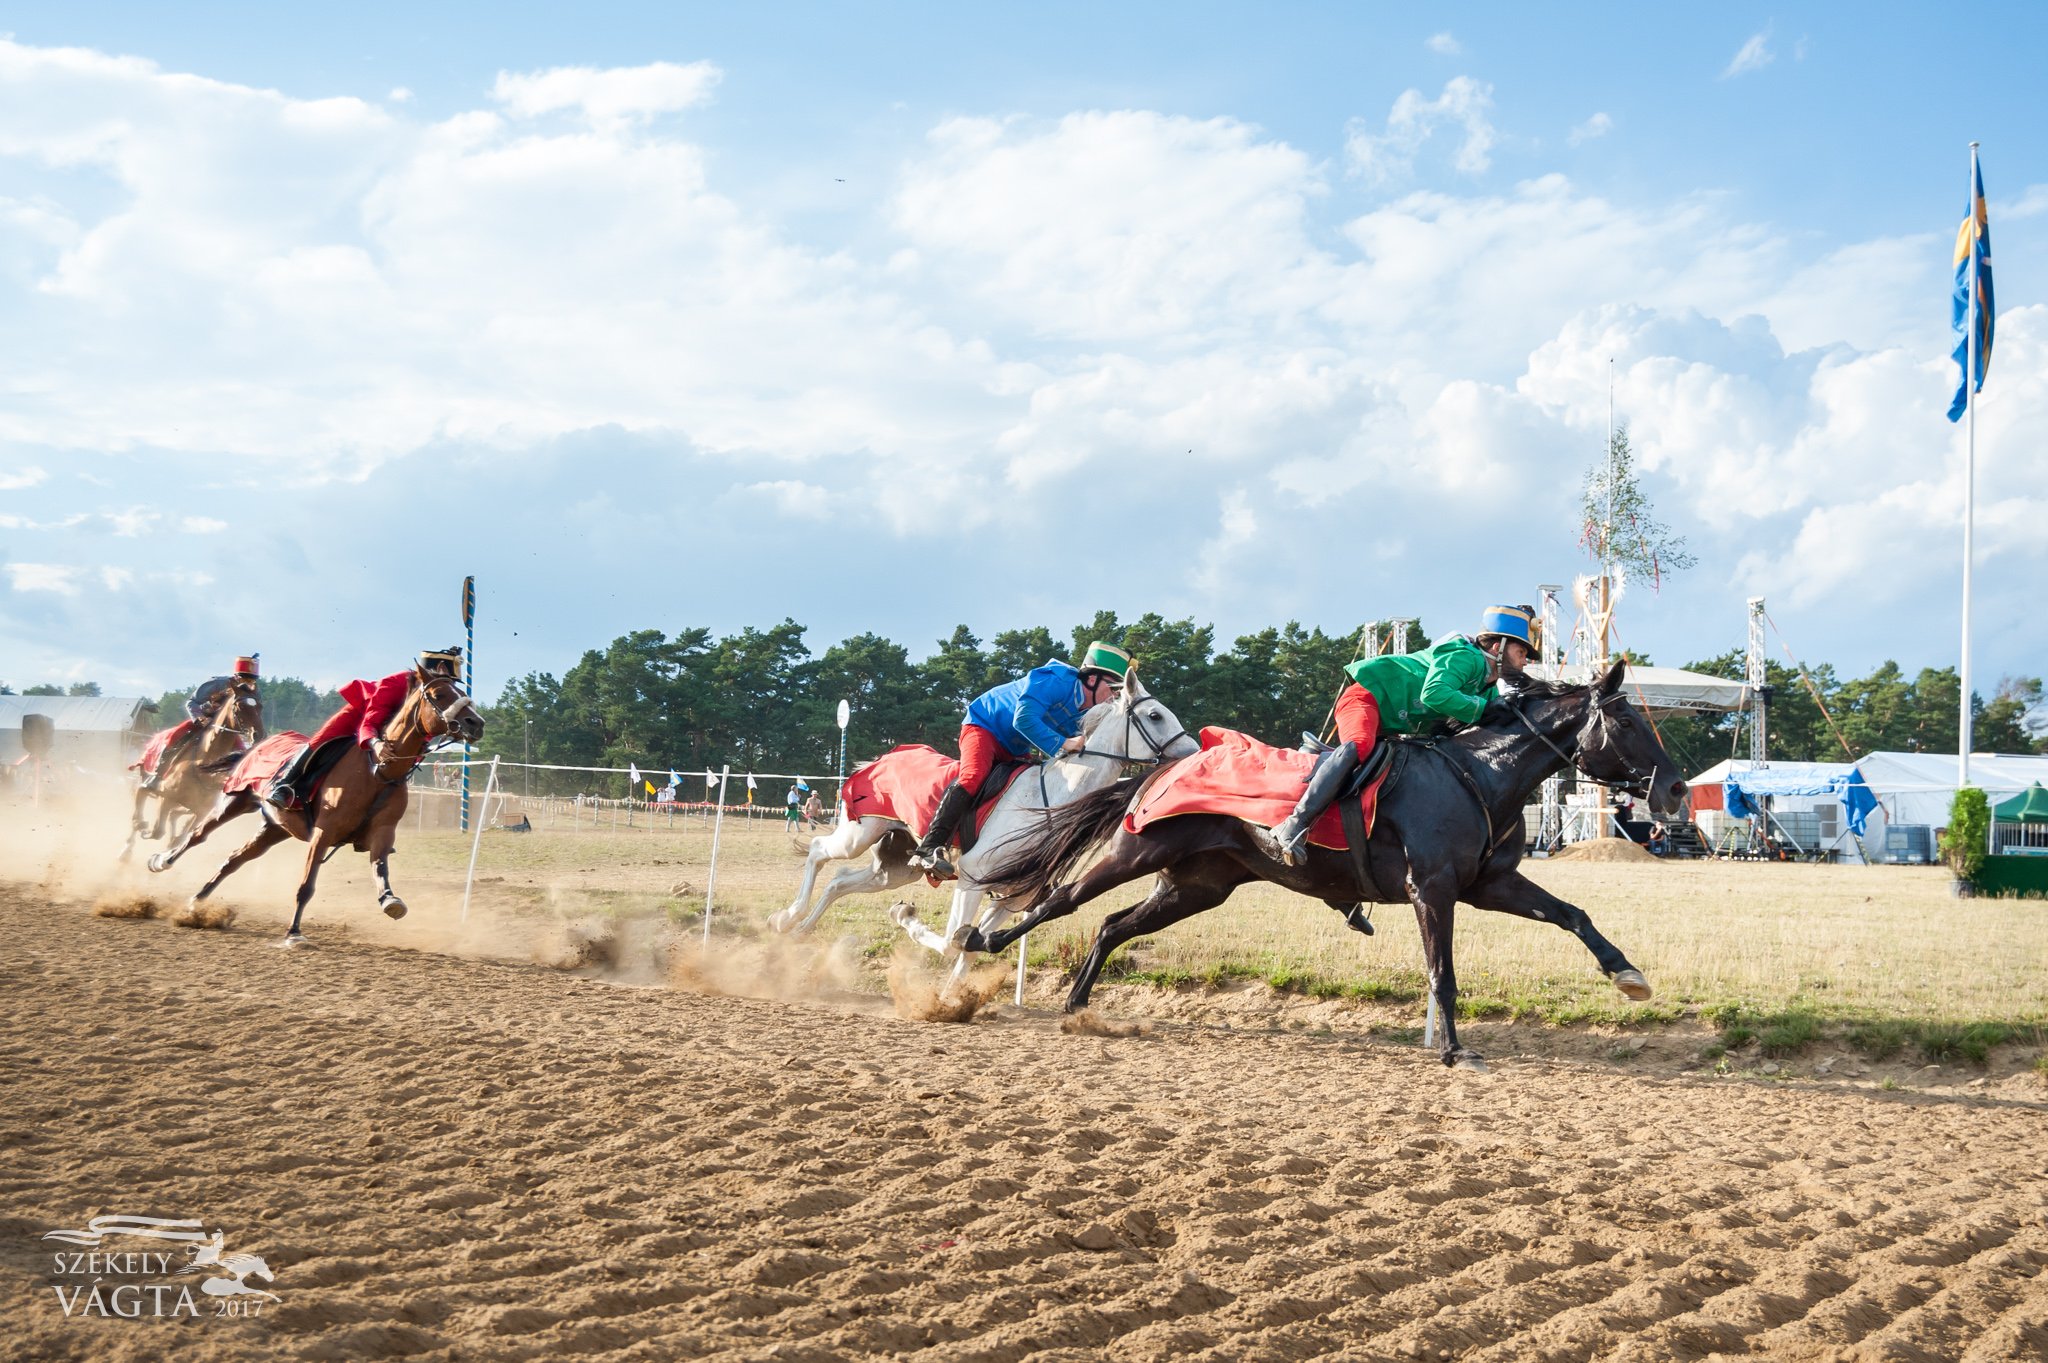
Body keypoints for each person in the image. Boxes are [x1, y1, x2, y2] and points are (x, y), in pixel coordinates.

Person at [1266, 606, 1537, 865]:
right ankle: (1294, 825)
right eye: (1521, 651)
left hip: (1392, 725)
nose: (1525, 661)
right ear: (1496, 647)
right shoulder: (1466, 656)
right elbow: (1434, 693)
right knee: (1359, 747)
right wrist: (1489, 708)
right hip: (1366, 698)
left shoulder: (1487, 688)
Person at [908, 641, 1134, 875]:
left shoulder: (1087, 712)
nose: (1115, 695)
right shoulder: (1056, 680)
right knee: (974, 775)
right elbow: (1024, 720)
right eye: (1113, 686)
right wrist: (1064, 743)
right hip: (984, 725)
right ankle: (929, 847)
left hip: (1015, 746)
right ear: (1091, 679)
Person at [266, 646, 463, 808]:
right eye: (449, 682)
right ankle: (284, 786)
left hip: (390, 728)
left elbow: (422, 733)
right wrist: (376, 744)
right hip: (359, 714)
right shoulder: (395, 683)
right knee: (320, 740)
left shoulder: (433, 701)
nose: (450, 689)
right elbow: (368, 724)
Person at [140, 655, 261, 793]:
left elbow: (252, 711)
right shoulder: (217, 684)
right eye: (244, 678)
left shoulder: (254, 692)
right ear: (236, 676)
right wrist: (201, 718)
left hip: (228, 729)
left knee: (242, 754)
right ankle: (157, 775)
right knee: (175, 738)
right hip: (202, 721)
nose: (248, 683)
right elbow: (191, 703)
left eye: (251, 679)